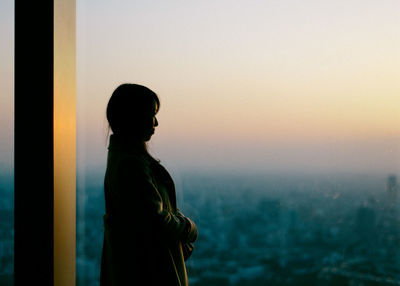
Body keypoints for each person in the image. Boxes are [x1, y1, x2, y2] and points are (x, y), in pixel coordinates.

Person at [100, 84, 198, 286]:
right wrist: (188, 228)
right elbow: (156, 220)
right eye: (152, 114)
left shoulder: (123, 159)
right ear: (134, 116)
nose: (156, 122)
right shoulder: (131, 165)